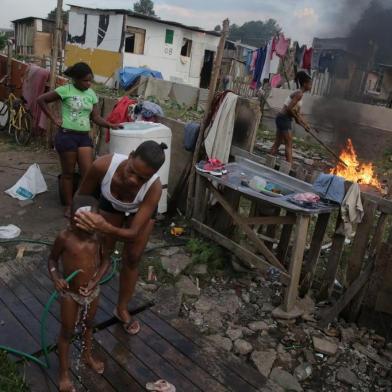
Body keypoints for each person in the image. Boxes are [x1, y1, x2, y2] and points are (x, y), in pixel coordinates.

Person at [74, 141, 167, 335]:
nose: (134, 180)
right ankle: (83, 303)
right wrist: (80, 223)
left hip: (139, 211)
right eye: (132, 171)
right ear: (130, 155)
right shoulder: (102, 166)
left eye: (142, 178)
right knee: (100, 253)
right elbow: (82, 196)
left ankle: (122, 308)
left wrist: (104, 226)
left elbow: (133, 233)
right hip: (111, 202)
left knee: (132, 257)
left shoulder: (154, 188)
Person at [38, 62, 122, 218]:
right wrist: (53, 118)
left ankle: (82, 203)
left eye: (90, 80)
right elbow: (41, 100)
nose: (88, 84)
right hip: (66, 136)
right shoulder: (65, 90)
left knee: (88, 172)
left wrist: (110, 125)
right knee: (68, 174)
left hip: (83, 137)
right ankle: (70, 206)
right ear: (75, 79)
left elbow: (96, 117)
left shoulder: (91, 94)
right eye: (85, 80)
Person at [48, 196, 110, 392]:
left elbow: (106, 261)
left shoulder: (99, 236)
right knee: (66, 332)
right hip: (70, 294)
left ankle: (87, 355)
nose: (87, 233)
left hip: (92, 292)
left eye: (90, 227)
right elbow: (52, 260)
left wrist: (94, 281)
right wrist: (56, 277)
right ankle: (64, 374)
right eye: (81, 229)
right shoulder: (65, 238)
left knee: (89, 325)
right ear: (71, 222)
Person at [270, 71, 312, 163]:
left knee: (277, 144)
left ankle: (268, 162)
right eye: (310, 84)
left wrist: (305, 125)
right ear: (305, 84)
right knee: (288, 144)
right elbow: (289, 109)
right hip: (284, 118)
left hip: (283, 118)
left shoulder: (300, 94)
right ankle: (289, 167)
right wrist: (301, 122)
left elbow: (297, 116)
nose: (311, 85)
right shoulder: (299, 94)